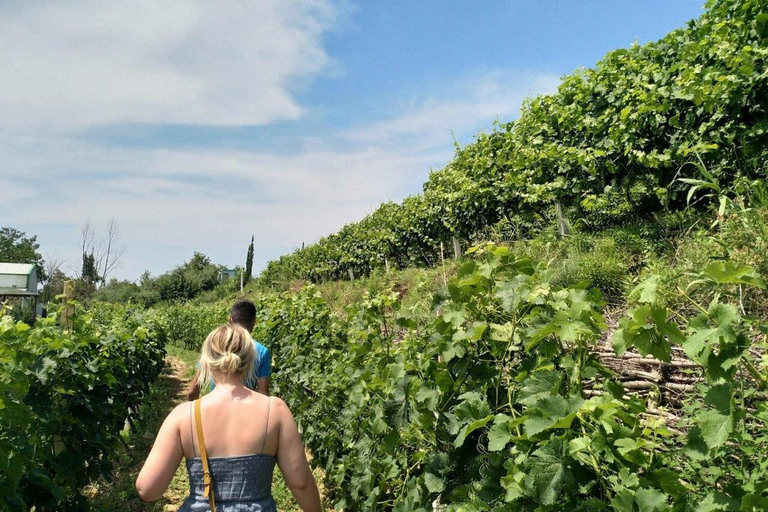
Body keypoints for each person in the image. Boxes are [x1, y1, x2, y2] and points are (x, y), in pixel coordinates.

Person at [136, 324, 322, 511]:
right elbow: (300, 483)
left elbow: (148, 489)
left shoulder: (184, 415)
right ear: (251, 360)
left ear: (206, 362)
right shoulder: (275, 410)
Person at [187, 299, 271, 399]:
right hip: (246, 411)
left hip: (215, 408)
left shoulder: (216, 345)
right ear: (254, 322)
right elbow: (263, 394)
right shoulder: (262, 351)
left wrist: (197, 411)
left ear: (230, 319)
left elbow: (192, 391)